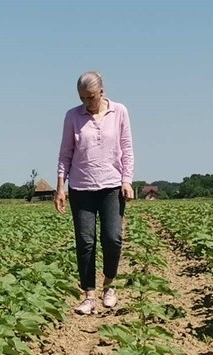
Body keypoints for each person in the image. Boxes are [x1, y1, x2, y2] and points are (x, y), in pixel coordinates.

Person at [54, 71, 135, 315]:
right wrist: (60, 186)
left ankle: (109, 287)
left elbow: (127, 149)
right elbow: (65, 154)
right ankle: (88, 295)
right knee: (85, 242)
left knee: (112, 238)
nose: (87, 103)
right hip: (81, 188)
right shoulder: (72, 116)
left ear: (102, 91)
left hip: (111, 186)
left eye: (90, 97)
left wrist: (127, 181)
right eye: (82, 98)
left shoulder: (119, 111)